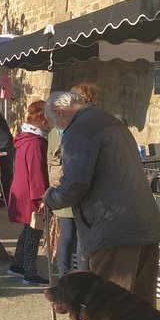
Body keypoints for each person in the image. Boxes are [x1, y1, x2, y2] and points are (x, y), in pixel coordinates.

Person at [43, 89, 160, 320]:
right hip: (143, 224)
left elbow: (75, 184)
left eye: (54, 121)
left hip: (114, 228)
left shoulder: (80, 129)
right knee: (140, 309)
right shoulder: (110, 122)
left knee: (111, 310)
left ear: (59, 113)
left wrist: (50, 198)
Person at [48, 82, 99, 276]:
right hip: (73, 188)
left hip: (60, 186)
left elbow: (50, 161)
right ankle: (79, 277)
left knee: (67, 235)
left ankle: (65, 275)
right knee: (78, 236)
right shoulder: (77, 129)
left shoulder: (54, 131)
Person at [8, 100, 51, 286]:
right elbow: (36, 172)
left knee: (28, 230)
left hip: (23, 189)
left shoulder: (27, 139)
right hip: (31, 192)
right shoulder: (34, 143)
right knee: (34, 232)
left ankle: (17, 265)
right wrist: (41, 197)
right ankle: (29, 273)